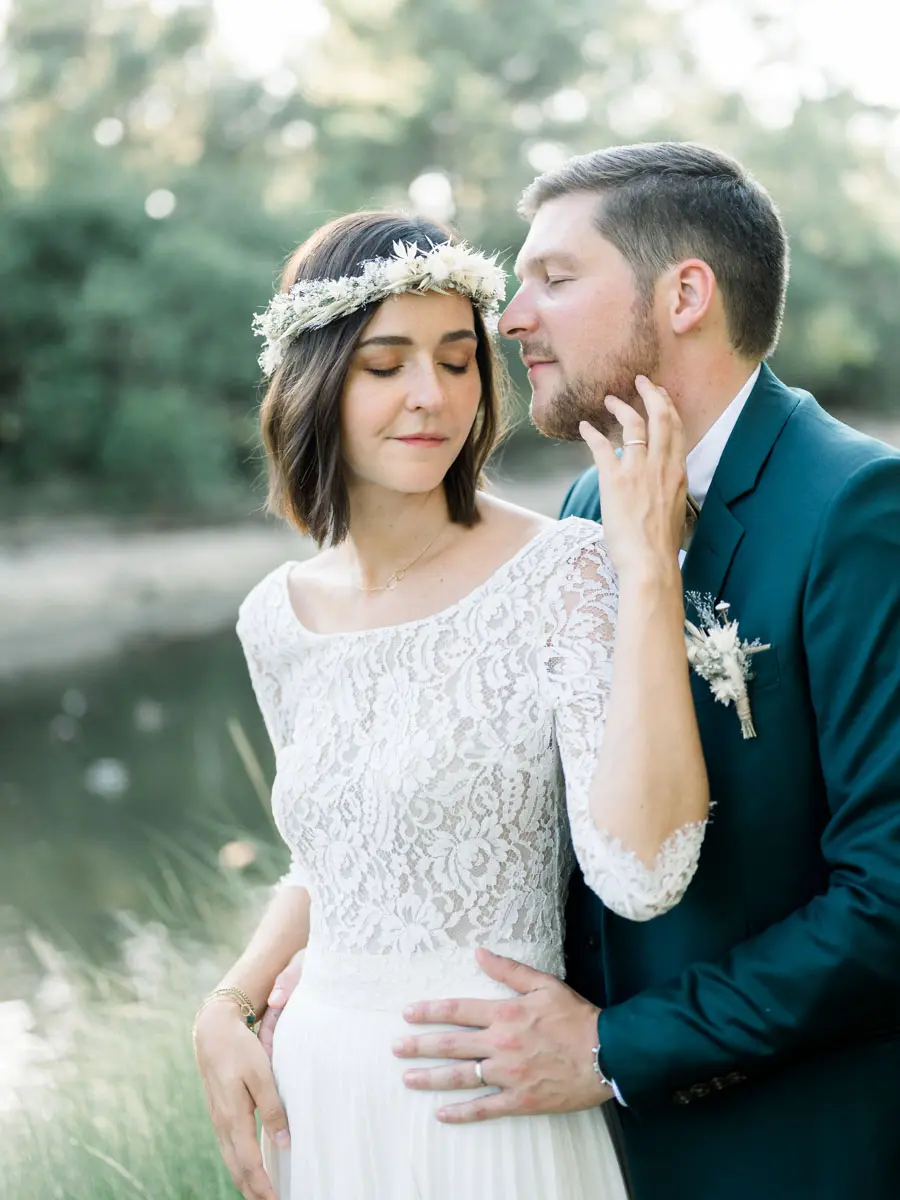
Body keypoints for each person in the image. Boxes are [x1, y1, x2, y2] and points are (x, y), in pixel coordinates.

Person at [359, 143, 899, 1199]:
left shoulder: (857, 512)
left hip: (791, 1150)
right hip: (576, 1152)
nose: (511, 318)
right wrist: (259, 990)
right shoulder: (576, 514)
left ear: (685, 293)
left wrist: (614, 1049)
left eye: (555, 279)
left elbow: (889, 899)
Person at [192, 209, 710, 1200]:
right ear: (316, 378)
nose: (430, 397)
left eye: (457, 359)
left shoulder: (564, 574)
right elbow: (332, 857)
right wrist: (233, 997)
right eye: (385, 364)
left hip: (485, 1098)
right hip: (321, 1096)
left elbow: (646, 874)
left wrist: (645, 578)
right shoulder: (277, 618)